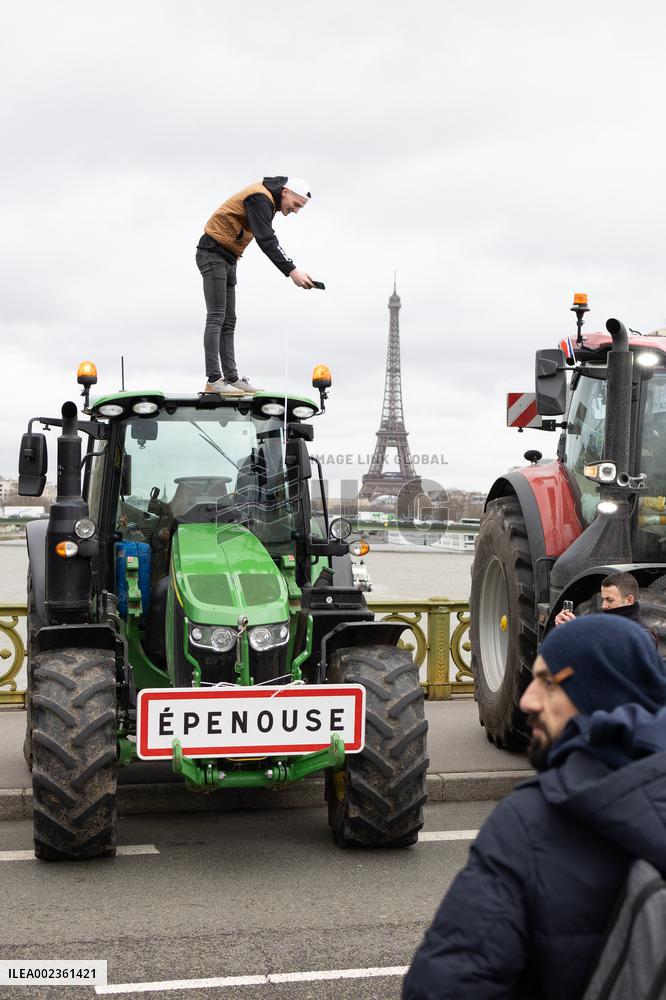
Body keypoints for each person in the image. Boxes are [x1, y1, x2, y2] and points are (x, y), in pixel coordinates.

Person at [403, 615, 666, 1000]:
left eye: (549, 682)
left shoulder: (530, 822)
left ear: (598, 690)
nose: (527, 699)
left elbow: (444, 988)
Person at [196, 176, 316, 397]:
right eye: (296, 205)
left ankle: (231, 378)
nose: (296, 211)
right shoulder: (260, 198)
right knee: (216, 316)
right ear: (286, 192)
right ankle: (214, 379)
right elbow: (267, 239)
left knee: (229, 320)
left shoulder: (269, 201)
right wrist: (292, 270)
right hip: (212, 253)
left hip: (229, 257)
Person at [554, 571, 657, 644]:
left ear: (629, 600)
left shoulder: (643, 638)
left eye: (609, 600)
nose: (603, 605)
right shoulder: (601, 628)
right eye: (603, 599)